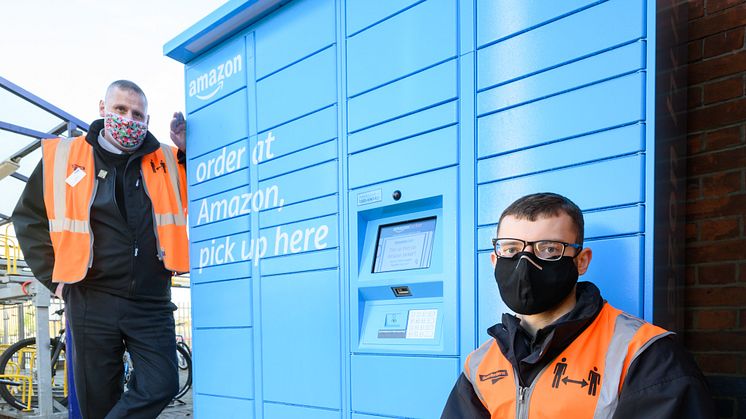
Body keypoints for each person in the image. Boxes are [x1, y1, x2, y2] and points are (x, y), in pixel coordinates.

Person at [441, 193, 716, 418]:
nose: (525, 263)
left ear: (581, 261)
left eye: (548, 249)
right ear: (495, 261)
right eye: (511, 249)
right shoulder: (480, 363)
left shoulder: (646, 356)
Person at [12, 80, 189, 418]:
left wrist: (188, 151)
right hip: (91, 298)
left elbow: (207, 184)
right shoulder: (62, 156)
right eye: (121, 110)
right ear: (103, 109)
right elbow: (28, 218)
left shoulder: (168, 159)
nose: (129, 119)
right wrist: (54, 279)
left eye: (137, 114)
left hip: (150, 300)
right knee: (96, 403)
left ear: (147, 121)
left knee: (162, 384)